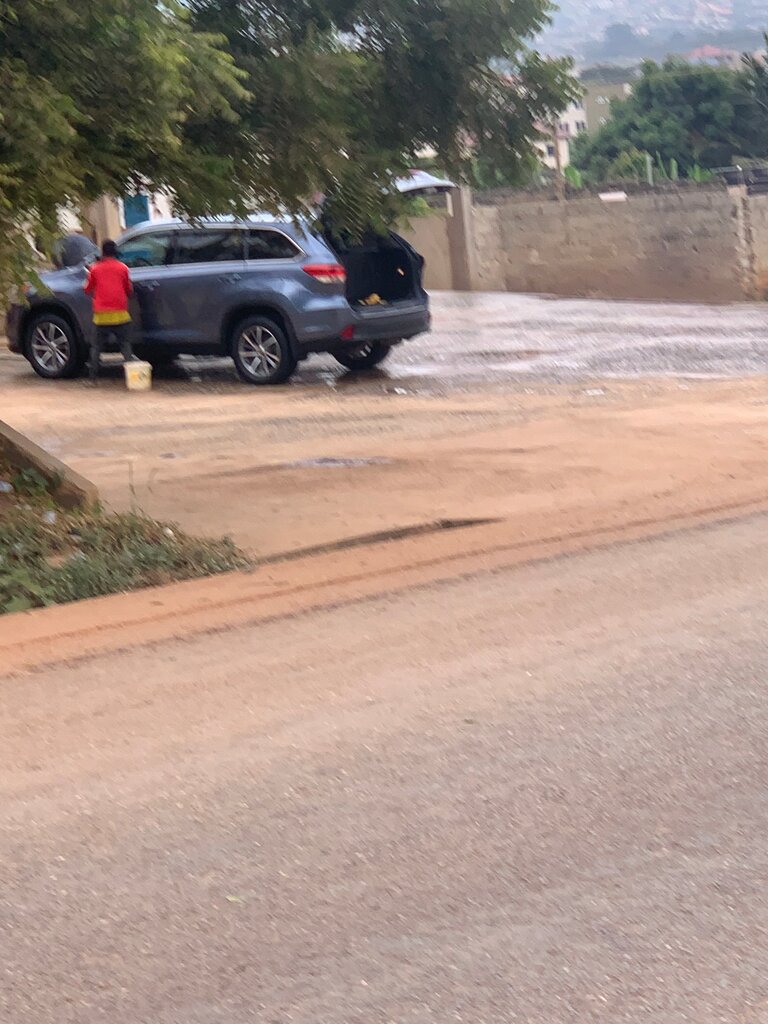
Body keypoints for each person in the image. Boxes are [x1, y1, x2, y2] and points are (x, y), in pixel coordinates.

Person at [83, 239, 136, 382]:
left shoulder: (95, 268)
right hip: (121, 314)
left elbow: (87, 289)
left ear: (102, 252)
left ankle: (92, 378)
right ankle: (133, 377)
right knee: (125, 346)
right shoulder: (123, 268)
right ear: (115, 252)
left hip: (101, 316)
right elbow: (129, 290)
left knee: (96, 347)